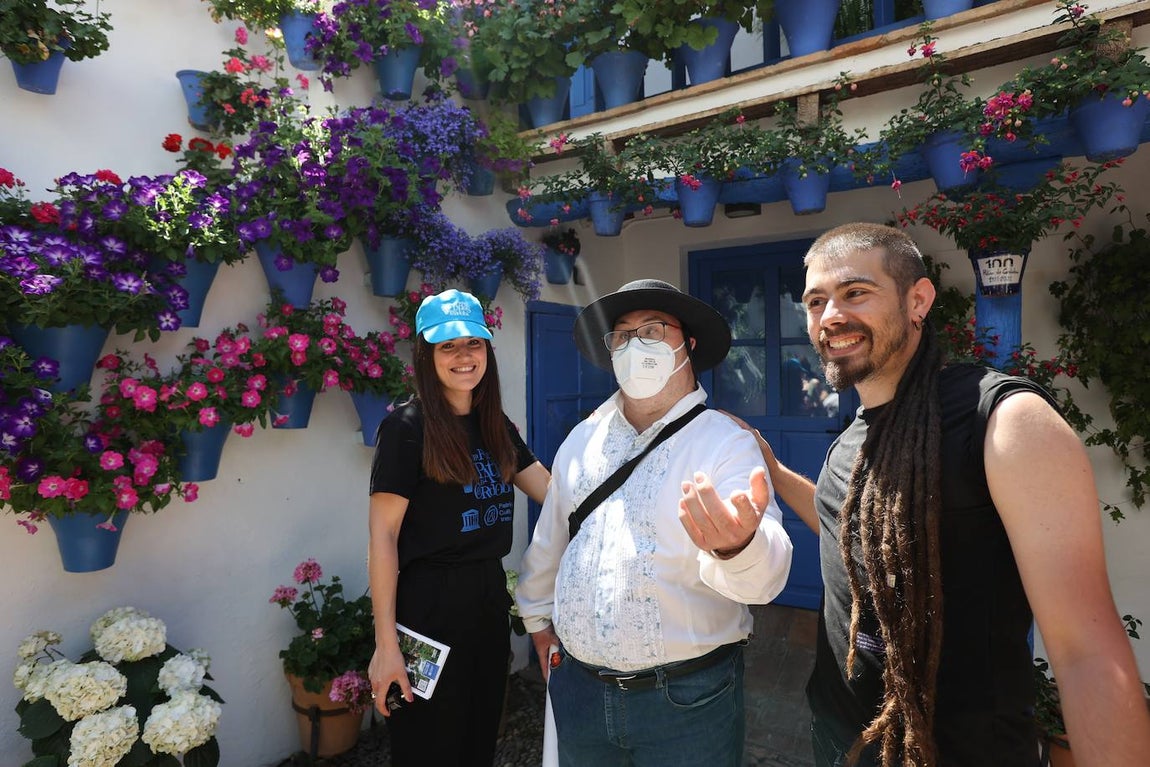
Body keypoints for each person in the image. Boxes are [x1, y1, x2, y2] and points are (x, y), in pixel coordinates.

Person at [725, 223, 1150, 766]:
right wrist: (775, 471)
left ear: (917, 300)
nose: (830, 316)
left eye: (855, 292)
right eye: (815, 301)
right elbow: (843, 526)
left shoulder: (1003, 421)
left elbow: (1086, 653)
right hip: (840, 746)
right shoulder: (849, 444)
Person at [516, 278, 794, 766]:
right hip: (580, 692)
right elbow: (552, 540)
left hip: (686, 703)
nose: (633, 345)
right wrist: (537, 620)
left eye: (651, 330)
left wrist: (738, 547)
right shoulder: (581, 440)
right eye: (621, 336)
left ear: (686, 345)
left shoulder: (724, 442)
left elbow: (766, 578)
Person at [366, 289, 550, 767]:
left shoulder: (496, 426)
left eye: (473, 342)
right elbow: (383, 537)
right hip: (427, 612)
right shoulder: (407, 427)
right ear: (426, 355)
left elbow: (555, 494)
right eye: (448, 345)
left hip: (487, 602)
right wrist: (386, 647)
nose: (463, 356)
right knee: (427, 748)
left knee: (477, 741)